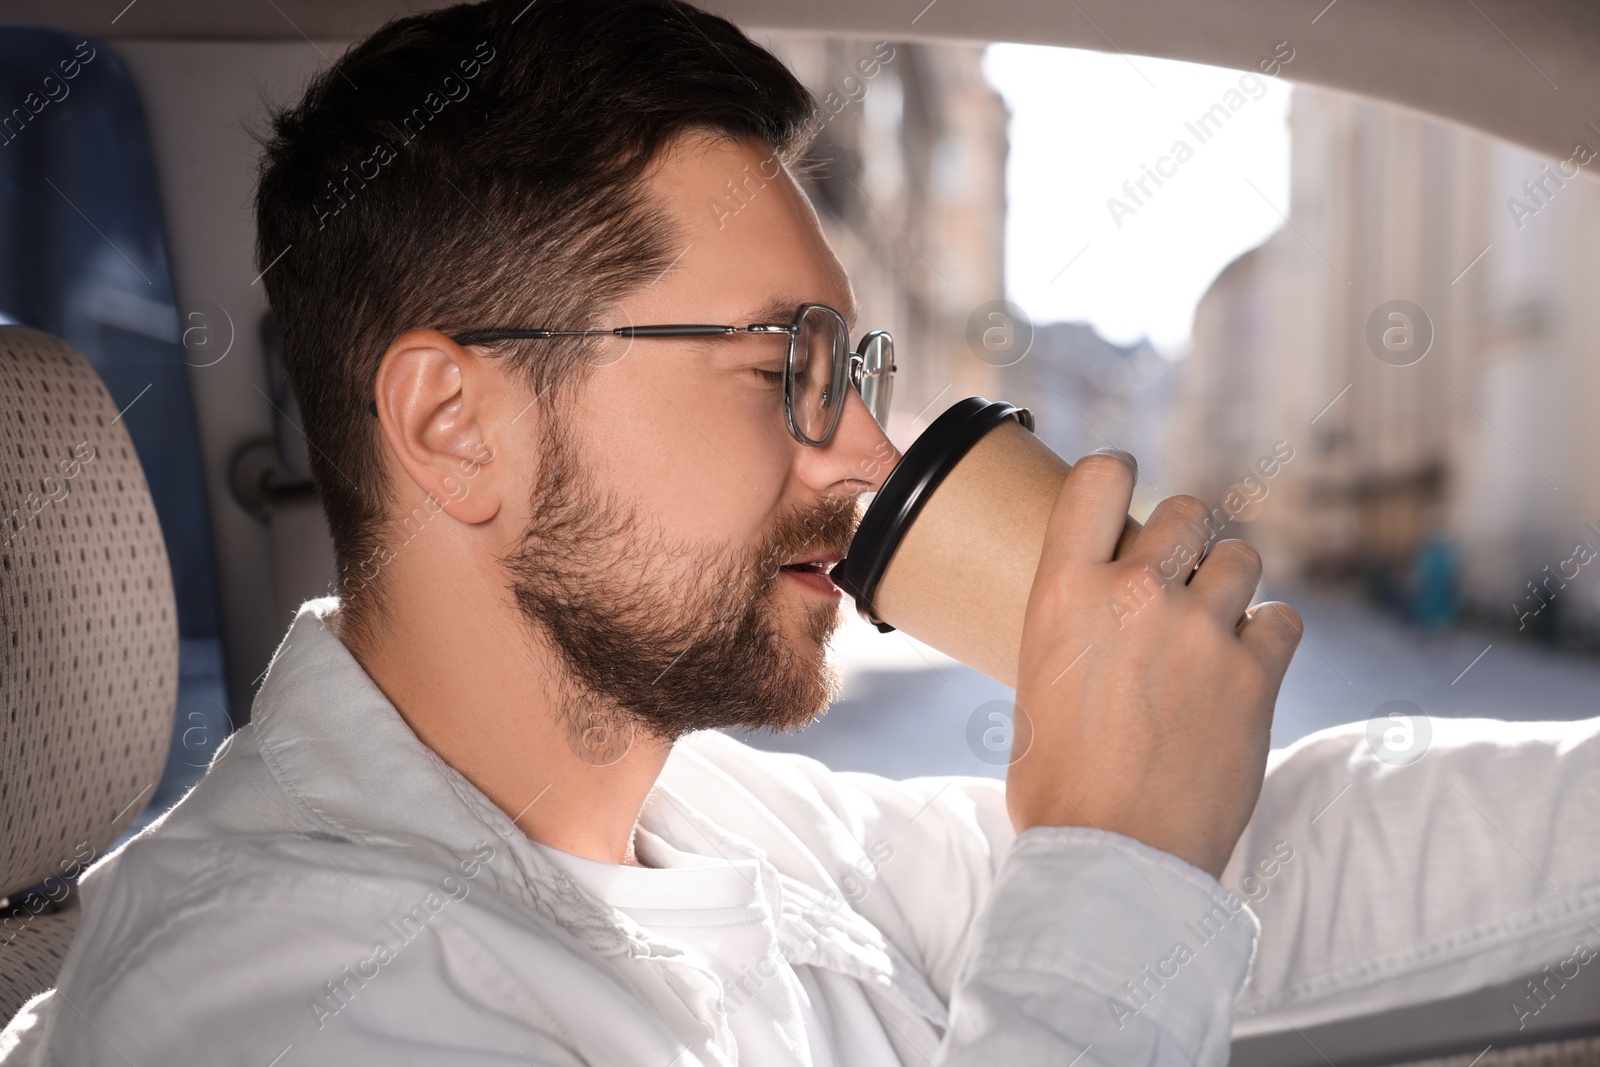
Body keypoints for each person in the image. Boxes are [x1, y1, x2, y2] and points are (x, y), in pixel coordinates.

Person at [5, 0, 1599, 1063]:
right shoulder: (255, 1010)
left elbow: (1263, 864)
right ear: (453, 425)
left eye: (858, 366)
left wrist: (1126, 826)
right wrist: (1108, 871)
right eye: (789, 366)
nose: (871, 451)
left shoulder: (708, 818)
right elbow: (1115, 891)